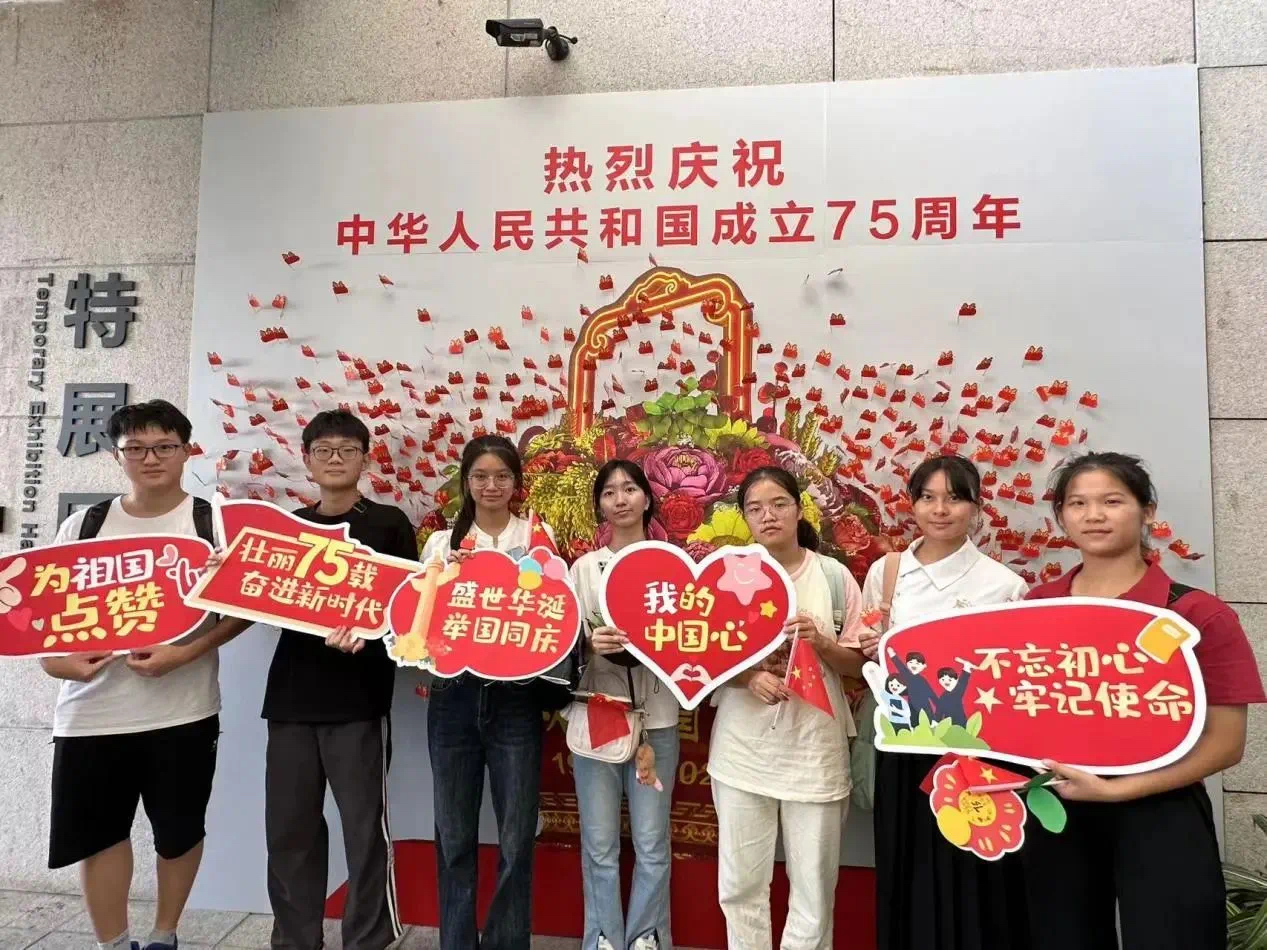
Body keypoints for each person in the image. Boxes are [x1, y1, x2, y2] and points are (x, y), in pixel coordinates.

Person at [1021, 452, 1265, 950]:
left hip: (1162, 808)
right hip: (1058, 804)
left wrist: (1117, 791)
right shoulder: (1036, 607)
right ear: (1062, 516)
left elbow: (1227, 744)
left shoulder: (1196, 614)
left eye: (1112, 501)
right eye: (1077, 504)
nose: (1093, 515)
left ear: (1147, 510)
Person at [39, 400, 253, 950]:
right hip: (92, 712)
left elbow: (245, 609)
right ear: (117, 456)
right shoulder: (84, 525)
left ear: (186, 451)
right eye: (135, 448)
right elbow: (46, 617)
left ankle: (164, 934)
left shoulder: (214, 523)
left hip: (184, 709)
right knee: (98, 835)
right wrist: (58, 664)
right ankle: (112, 943)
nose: (150, 458)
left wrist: (187, 654)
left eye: (163, 446)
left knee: (178, 831)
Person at [858, 454, 1029, 950]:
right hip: (903, 745)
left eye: (954, 498)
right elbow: (868, 649)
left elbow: (1010, 676)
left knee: (971, 871)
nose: (940, 510)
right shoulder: (887, 572)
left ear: (976, 507)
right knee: (904, 862)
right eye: (928, 497)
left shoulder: (1004, 585)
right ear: (912, 504)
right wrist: (871, 647)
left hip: (975, 751)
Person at [261, 409, 417, 950]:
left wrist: (369, 635)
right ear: (306, 460)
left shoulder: (389, 523)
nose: (334, 459)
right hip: (290, 699)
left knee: (364, 832)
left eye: (346, 450)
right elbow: (263, 598)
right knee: (289, 832)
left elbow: (409, 611)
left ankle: (368, 939)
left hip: (358, 701)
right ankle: (295, 940)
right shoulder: (288, 528)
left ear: (364, 460)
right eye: (323, 450)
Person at [707, 466, 866, 950]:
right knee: (740, 885)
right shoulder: (724, 575)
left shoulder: (833, 577)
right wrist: (747, 676)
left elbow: (858, 666)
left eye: (779, 504)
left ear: (799, 509)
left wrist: (821, 642)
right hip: (742, 752)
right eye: (755, 508)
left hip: (814, 752)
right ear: (744, 517)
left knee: (814, 888)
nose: (768, 516)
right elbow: (698, 655)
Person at [420, 434, 557, 950]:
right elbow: (419, 621)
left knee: (517, 838)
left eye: (502, 476)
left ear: (516, 482)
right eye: (481, 476)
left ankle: (507, 941)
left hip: (516, 700)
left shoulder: (537, 537)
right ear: (466, 482)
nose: (491, 485)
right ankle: (457, 942)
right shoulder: (442, 544)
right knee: (454, 837)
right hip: (453, 698)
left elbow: (555, 612)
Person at [567, 460, 680, 950]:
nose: (620, 499)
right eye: (609, 491)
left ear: (646, 499)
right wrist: (590, 644)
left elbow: (691, 640)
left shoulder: (672, 565)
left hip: (658, 718)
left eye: (630, 489)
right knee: (599, 842)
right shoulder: (583, 570)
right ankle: (602, 937)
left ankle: (647, 936)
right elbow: (563, 644)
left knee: (652, 841)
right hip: (600, 713)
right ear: (600, 505)